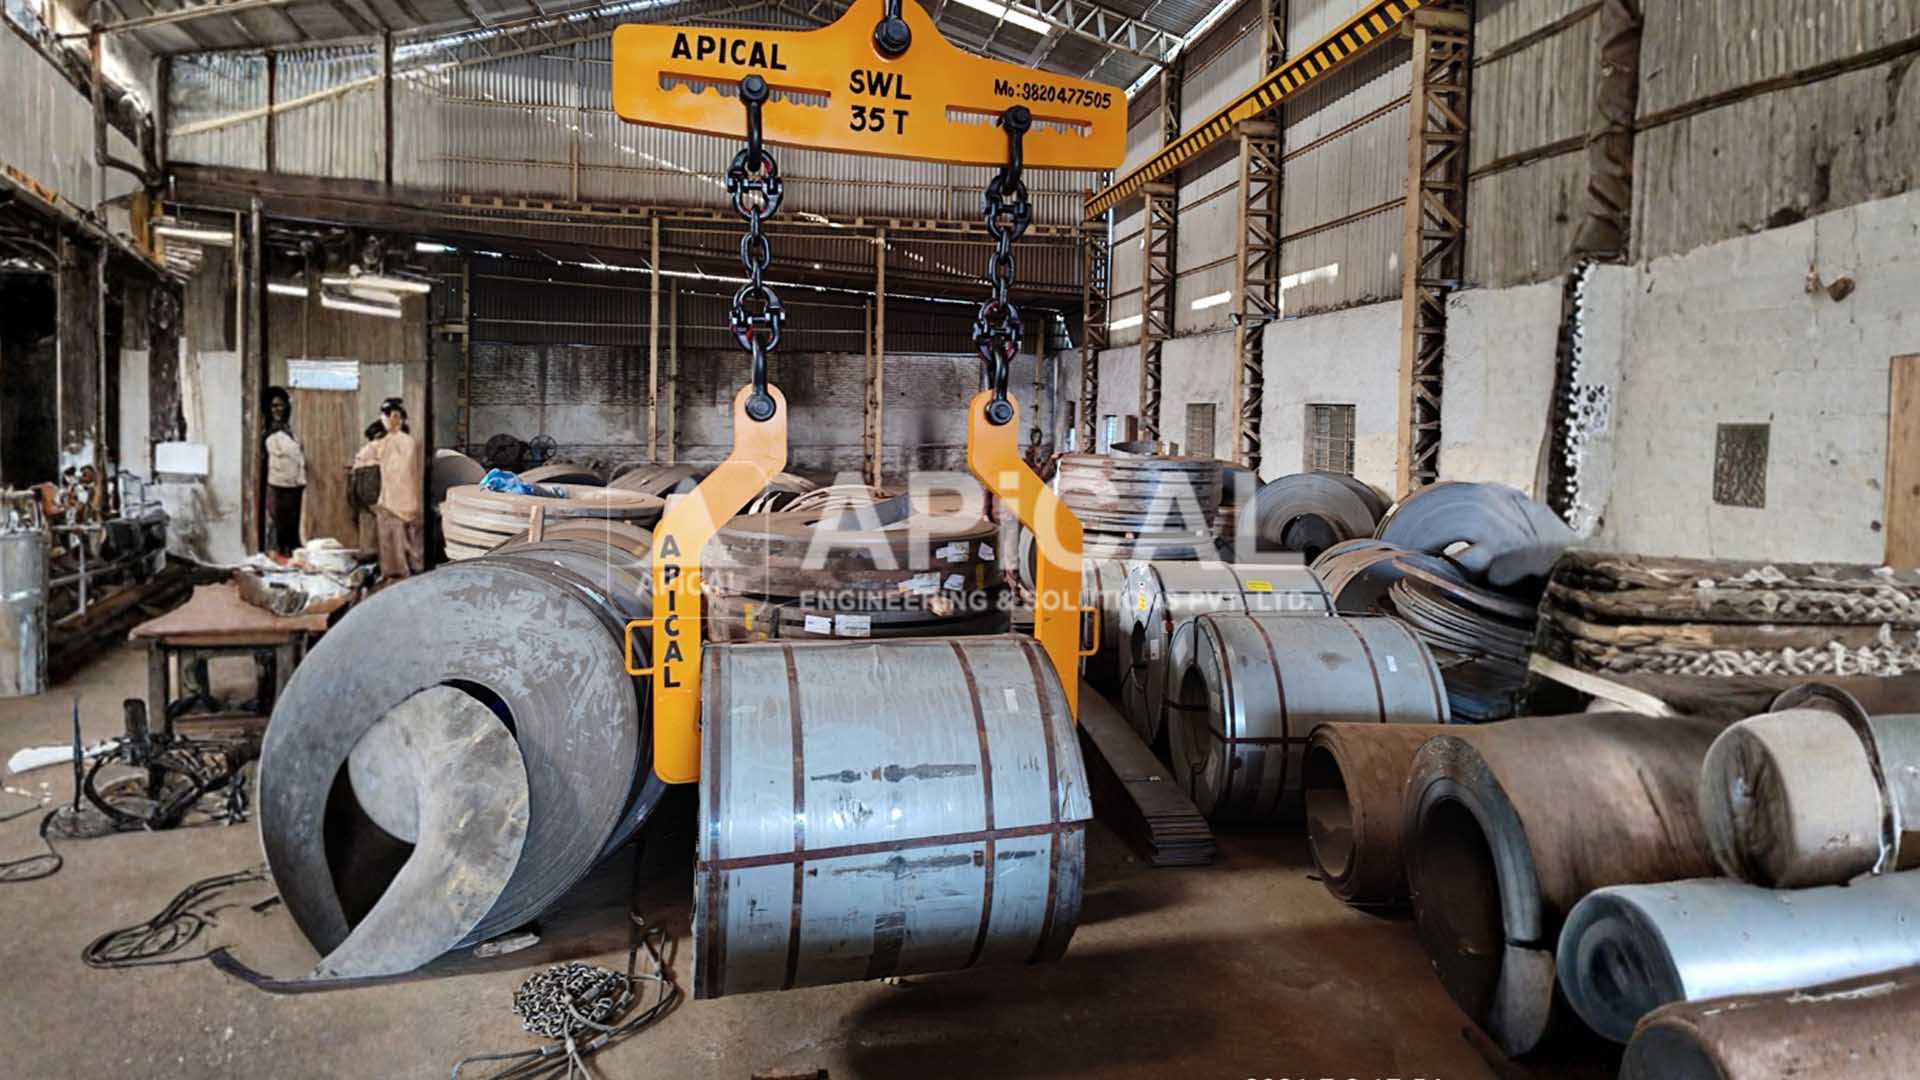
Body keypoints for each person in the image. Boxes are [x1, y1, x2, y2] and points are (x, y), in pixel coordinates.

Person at [373, 401, 424, 581]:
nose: (390, 420)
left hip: (402, 496)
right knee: (388, 539)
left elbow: (403, 471)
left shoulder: (407, 442)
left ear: (401, 419)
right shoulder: (384, 441)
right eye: (387, 416)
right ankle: (390, 572)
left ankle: (406, 571)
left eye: (395, 416)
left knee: (403, 538)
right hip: (387, 496)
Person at [263, 388, 306, 557]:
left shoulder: (288, 430)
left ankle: (289, 557)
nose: (277, 409)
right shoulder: (271, 432)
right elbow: (289, 453)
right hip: (278, 485)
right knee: (278, 525)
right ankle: (277, 556)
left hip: (293, 486)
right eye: (273, 406)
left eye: (280, 405)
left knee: (291, 526)